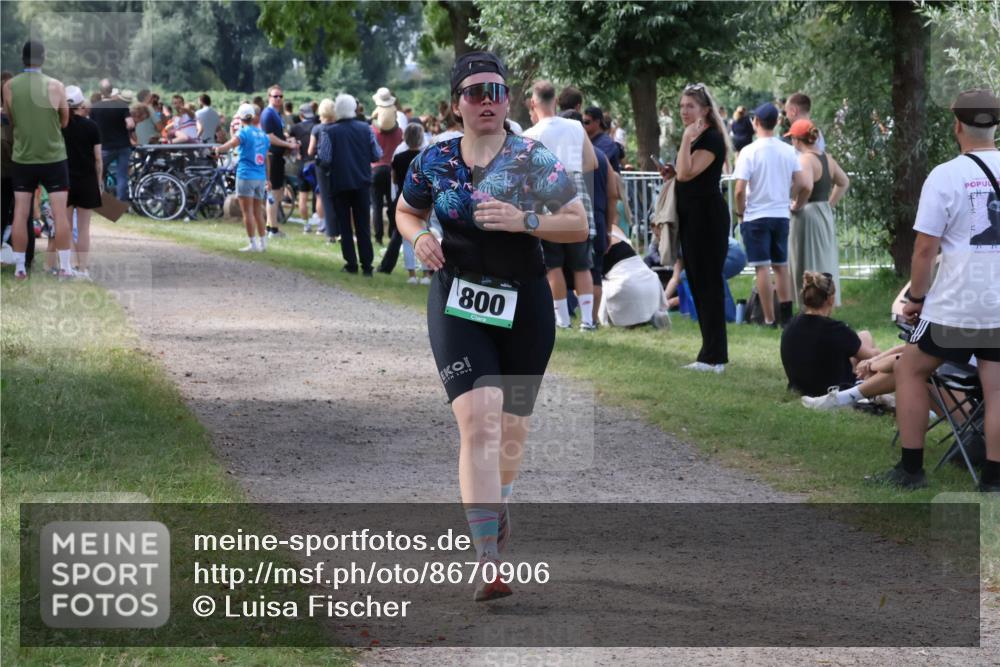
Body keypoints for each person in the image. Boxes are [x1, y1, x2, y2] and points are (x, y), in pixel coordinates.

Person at [395, 51, 586, 601]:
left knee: (511, 430)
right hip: (457, 298)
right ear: (456, 103)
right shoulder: (433, 162)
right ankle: (488, 559)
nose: (487, 101)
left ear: (508, 101)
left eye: (497, 91)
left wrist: (527, 219)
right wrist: (418, 237)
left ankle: (497, 499)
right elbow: (407, 212)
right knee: (478, 422)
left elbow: (576, 224)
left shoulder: (531, 158)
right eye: (475, 92)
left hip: (525, 304)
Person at [872, 89, 1000, 492]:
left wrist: (915, 299)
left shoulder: (945, 175)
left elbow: (926, 249)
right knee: (996, 386)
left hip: (956, 305)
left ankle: (911, 470)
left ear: (957, 125)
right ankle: (993, 480)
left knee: (910, 368)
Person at [658, 83, 732, 372]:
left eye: (690, 106)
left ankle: (715, 357)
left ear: (704, 110)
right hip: (692, 217)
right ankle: (708, 352)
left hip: (708, 219)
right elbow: (683, 172)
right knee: (699, 284)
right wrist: (672, 172)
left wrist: (687, 140)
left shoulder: (710, 138)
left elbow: (688, 173)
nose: (684, 112)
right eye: (681, 106)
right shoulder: (695, 136)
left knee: (709, 285)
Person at [524, 80, 599, 331]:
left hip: (547, 195)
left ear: (533, 103)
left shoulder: (530, 134)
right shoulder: (576, 126)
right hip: (576, 191)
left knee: (553, 263)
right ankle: (588, 320)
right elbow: (591, 162)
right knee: (582, 262)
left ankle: (563, 320)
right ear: (555, 100)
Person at [734, 102, 810, 327]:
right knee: (781, 265)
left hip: (756, 215)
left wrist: (740, 212)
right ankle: (786, 316)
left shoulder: (749, 151)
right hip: (780, 214)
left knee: (761, 267)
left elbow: (739, 189)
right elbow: (804, 183)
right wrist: (791, 198)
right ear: (777, 122)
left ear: (755, 122)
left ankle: (768, 318)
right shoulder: (788, 150)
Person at [1, 40, 73, 280]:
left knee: (20, 213)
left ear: (22, 58)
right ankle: (65, 267)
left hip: (23, 157)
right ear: (44, 58)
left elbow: (11, 119)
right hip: (54, 156)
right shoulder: (56, 85)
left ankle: (20, 268)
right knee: (60, 213)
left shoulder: (9, 86)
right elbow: (65, 119)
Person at [312, 94, 381, 276]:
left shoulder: (329, 131)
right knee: (363, 225)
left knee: (345, 225)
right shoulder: (366, 129)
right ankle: (367, 266)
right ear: (354, 109)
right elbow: (377, 154)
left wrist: (320, 161)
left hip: (339, 182)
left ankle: (351, 263)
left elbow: (325, 159)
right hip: (362, 182)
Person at [781, 271, 879, 398]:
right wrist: (883, 354)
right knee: (871, 353)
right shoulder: (836, 329)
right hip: (834, 389)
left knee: (864, 335)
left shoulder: (790, 325)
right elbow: (871, 358)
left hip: (801, 388)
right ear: (830, 299)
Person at [785, 119, 850, 307]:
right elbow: (843, 181)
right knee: (824, 258)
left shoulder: (805, 159)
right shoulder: (827, 158)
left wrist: (797, 204)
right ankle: (825, 300)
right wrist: (829, 204)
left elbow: (806, 185)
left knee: (806, 259)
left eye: (792, 139)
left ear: (798, 140)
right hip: (823, 211)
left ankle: (809, 303)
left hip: (808, 214)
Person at [214, 103, 270, 252]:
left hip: (246, 175)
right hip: (260, 176)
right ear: (253, 117)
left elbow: (232, 144)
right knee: (258, 211)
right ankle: (263, 243)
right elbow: (266, 158)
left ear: (240, 117)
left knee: (247, 212)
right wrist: (268, 179)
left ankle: (252, 244)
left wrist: (219, 149)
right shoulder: (263, 135)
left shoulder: (243, 132)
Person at [377, 123, 428, 280]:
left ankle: (412, 274)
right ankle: (426, 273)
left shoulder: (398, 157)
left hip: (404, 198)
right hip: (423, 200)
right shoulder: (425, 157)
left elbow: (394, 178)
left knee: (407, 238)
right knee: (426, 235)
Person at [61, 85, 102, 279]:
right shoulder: (91, 126)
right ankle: (83, 267)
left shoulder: (60, 125)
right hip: (87, 180)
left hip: (65, 179)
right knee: (84, 228)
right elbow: (98, 158)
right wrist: (99, 181)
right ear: (81, 104)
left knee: (66, 226)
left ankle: (68, 267)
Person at [260, 84, 299, 238]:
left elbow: (277, 134)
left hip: (277, 156)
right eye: (275, 96)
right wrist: (288, 144)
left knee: (276, 193)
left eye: (280, 96)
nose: (278, 99)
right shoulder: (268, 114)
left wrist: (287, 139)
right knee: (274, 193)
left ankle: (271, 227)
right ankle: (273, 229)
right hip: (272, 156)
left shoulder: (276, 114)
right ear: (269, 97)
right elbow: (269, 136)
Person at [90, 78, 134, 201]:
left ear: (100, 91)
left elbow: (91, 127)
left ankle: (100, 200)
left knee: (98, 173)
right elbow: (130, 124)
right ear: (111, 90)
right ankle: (121, 201)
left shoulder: (95, 107)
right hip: (123, 146)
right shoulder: (122, 105)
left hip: (105, 146)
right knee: (122, 175)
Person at [370, 104, 403, 245]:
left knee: (377, 205)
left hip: (375, 169)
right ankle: (392, 233)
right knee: (392, 205)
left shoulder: (372, 131)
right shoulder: (399, 132)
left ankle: (378, 236)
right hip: (391, 171)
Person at [289, 103, 318, 232]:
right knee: (320, 195)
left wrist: (297, 155)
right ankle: (321, 225)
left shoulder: (295, 128)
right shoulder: (317, 127)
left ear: (301, 115)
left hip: (302, 164)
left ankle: (306, 225)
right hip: (315, 163)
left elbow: (291, 145)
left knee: (302, 197)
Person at [583, 105, 622, 172]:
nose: (583, 125)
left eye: (587, 122)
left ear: (597, 122)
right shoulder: (588, 140)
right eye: (582, 122)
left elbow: (595, 162)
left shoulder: (607, 143)